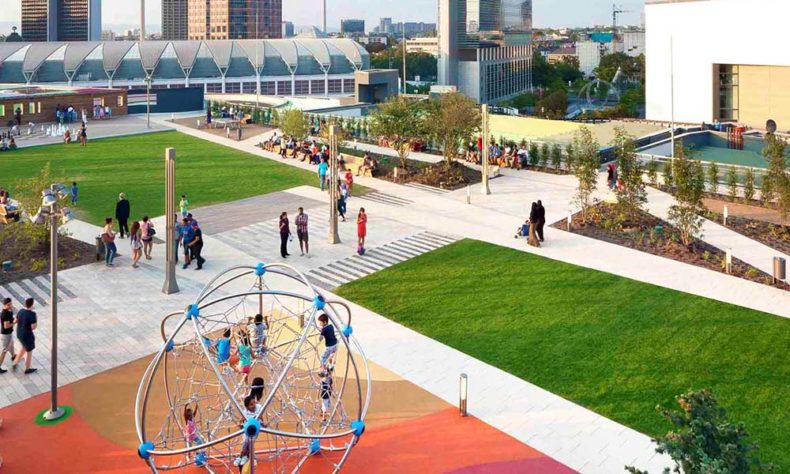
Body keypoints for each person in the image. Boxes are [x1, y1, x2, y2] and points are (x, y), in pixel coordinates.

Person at [11, 298, 37, 374]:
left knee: (23, 347)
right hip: (27, 335)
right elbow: (34, 327)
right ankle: (27, 368)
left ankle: (15, 362)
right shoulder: (32, 314)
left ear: (25, 304)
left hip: (19, 333)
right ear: (32, 304)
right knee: (29, 351)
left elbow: (15, 321)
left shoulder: (21, 311)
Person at [0, 298, 15, 373]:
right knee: (4, 350)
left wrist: (13, 319)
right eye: (8, 305)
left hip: (9, 333)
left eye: (10, 304)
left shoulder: (9, 311)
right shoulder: (5, 313)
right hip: (6, 334)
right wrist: (15, 322)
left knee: (12, 344)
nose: (10, 306)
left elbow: (11, 319)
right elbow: (6, 326)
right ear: (4, 305)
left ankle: (13, 356)